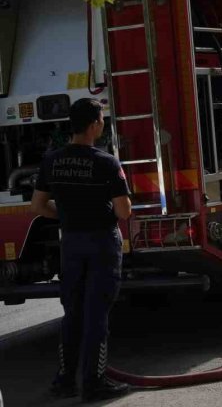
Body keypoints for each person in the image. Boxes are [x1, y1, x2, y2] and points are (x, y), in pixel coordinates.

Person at [30, 98, 132, 402]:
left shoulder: (52, 160)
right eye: (101, 119)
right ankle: (94, 383)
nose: (102, 124)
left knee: (72, 313)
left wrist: (68, 213)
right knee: (96, 315)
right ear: (93, 125)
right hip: (101, 243)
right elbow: (124, 212)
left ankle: (64, 381)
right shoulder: (106, 162)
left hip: (71, 243)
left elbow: (37, 206)